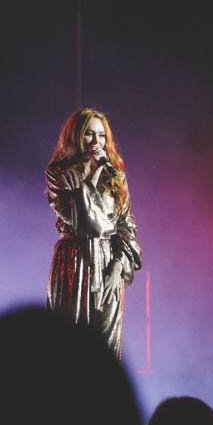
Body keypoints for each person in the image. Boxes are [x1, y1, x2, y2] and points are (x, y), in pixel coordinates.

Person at [46, 107, 141, 358]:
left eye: (101, 135)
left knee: (105, 347)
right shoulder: (58, 173)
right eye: (89, 134)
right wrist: (94, 170)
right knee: (70, 344)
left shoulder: (116, 176)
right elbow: (81, 220)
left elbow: (126, 225)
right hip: (74, 261)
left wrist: (118, 267)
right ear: (76, 136)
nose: (95, 141)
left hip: (108, 263)